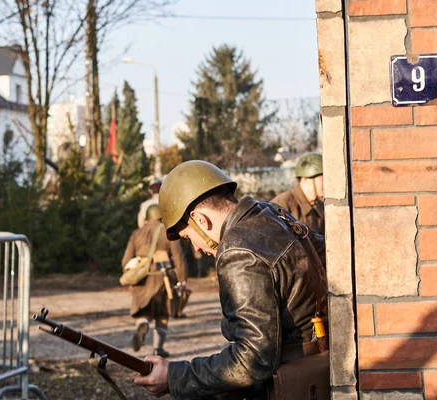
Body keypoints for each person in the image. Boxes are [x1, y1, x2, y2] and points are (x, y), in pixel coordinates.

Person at [134, 160, 327, 399]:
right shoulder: (273, 215)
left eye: (188, 237)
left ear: (201, 220)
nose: (195, 248)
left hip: (287, 384)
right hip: (320, 366)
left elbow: (253, 359)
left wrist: (174, 376)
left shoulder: (238, 249)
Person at [122, 204, 187, 358]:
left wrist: (131, 277)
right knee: (162, 314)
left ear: (147, 217)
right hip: (162, 278)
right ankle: (158, 349)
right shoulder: (168, 232)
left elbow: (126, 260)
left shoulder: (136, 233)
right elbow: (179, 257)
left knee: (144, 311)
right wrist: (183, 279)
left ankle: (142, 326)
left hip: (142, 279)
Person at [272, 152, 325, 235]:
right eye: (321, 179)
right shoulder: (282, 204)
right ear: (305, 179)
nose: (325, 184)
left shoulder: (321, 206)